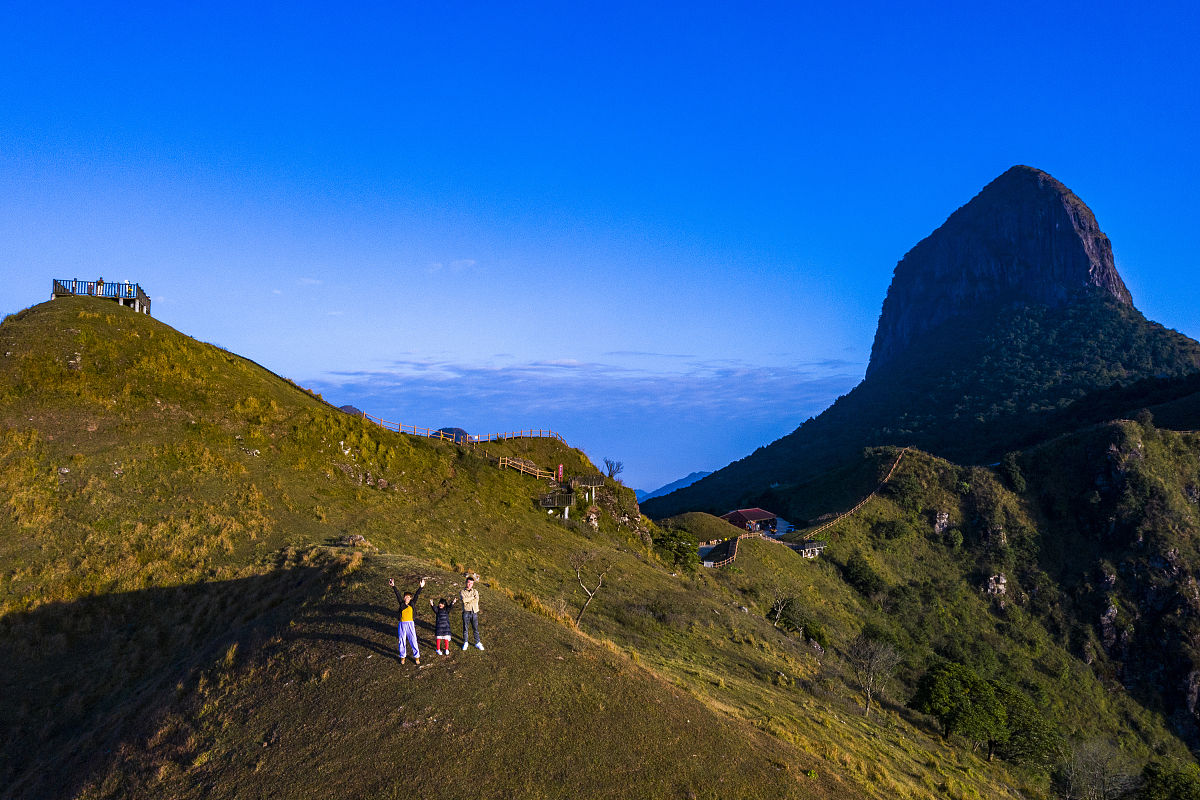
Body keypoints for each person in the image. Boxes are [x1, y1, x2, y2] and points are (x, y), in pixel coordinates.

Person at [389, 577, 425, 665]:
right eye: (406, 596)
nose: (407, 598)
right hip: (402, 624)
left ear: (410, 598)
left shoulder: (412, 604)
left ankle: (417, 657)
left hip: (410, 624)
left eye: (409, 597)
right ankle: (403, 657)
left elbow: (417, 595)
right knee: (402, 640)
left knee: (413, 640)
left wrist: (421, 587)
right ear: (404, 598)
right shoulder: (401, 604)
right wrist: (393, 586)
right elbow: (397, 595)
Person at [460, 574, 484, 651]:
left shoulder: (475, 591)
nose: (470, 585)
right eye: (468, 583)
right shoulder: (462, 592)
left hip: (474, 612)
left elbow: (476, 600)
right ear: (466, 583)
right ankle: (465, 642)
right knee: (465, 628)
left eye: (471, 583)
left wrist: (469, 600)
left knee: (475, 628)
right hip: (466, 612)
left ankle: (477, 642)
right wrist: (472, 598)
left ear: (473, 584)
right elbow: (464, 600)